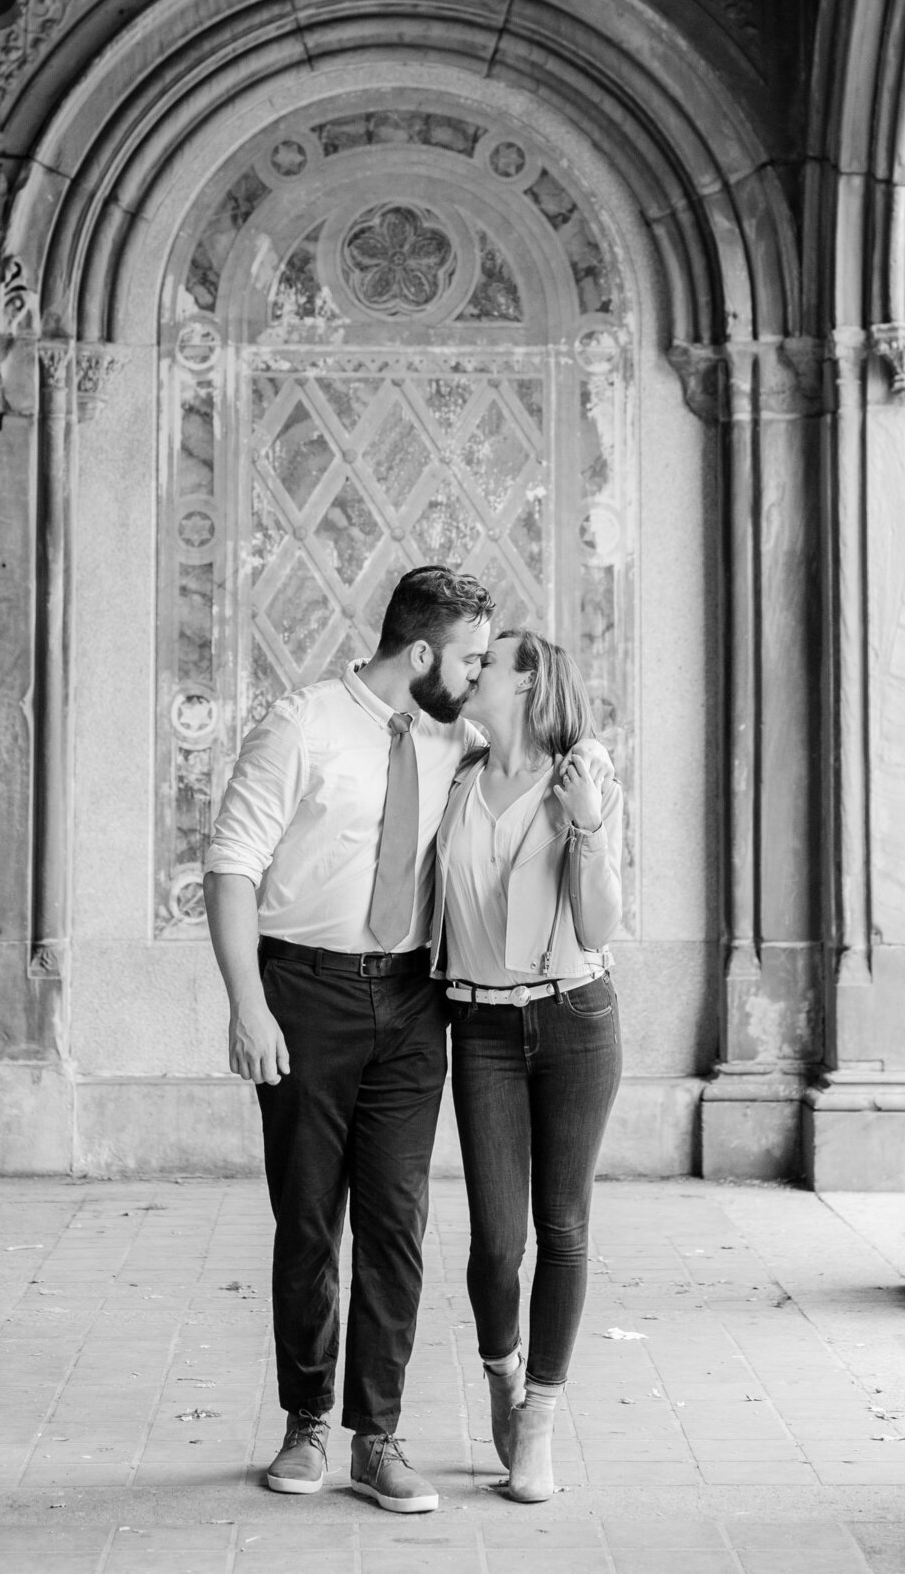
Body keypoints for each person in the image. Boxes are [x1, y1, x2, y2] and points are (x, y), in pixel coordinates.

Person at [202, 564, 494, 1516]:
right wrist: (249, 1006)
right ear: (421, 652)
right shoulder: (302, 724)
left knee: (397, 1223)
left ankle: (379, 1437)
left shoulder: (462, 739)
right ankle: (304, 1423)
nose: (478, 674)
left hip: (415, 1001)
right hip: (306, 992)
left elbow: (535, 762)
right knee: (309, 1218)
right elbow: (231, 866)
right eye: (469, 658)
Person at [430, 627, 624, 1504]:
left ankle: (540, 1414)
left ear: (529, 680)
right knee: (495, 1240)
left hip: (575, 1016)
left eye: (488, 662)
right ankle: (503, 1373)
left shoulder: (579, 775)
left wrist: (585, 828)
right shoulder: (455, 774)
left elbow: (598, 927)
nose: (472, 671)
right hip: (480, 1026)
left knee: (564, 1225)